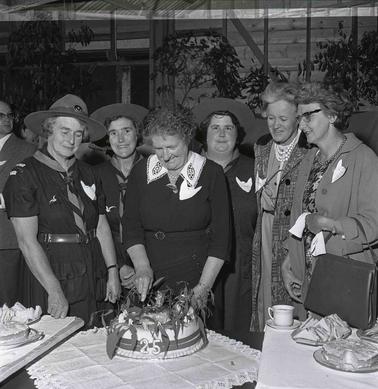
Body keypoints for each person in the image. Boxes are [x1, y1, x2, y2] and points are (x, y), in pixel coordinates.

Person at [3, 94, 121, 323]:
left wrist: (112, 270)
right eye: (64, 131)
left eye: (78, 133)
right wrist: (54, 290)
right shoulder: (25, 174)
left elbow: (100, 224)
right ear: (49, 130)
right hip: (52, 271)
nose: (71, 140)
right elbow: (27, 242)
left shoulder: (89, 172)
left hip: (91, 268)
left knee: (94, 339)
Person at [122, 107, 231, 329]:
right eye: (158, 148)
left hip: (197, 273)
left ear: (187, 139)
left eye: (172, 147)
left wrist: (203, 287)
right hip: (151, 273)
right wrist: (142, 267)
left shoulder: (211, 173)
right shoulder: (140, 172)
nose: (165, 155)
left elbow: (222, 239)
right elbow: (131, 226)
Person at [282, 82, 378, 317]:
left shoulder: (364, 158)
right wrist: (288, 260)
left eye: (308, 116)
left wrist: (331, 225)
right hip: (306, 279)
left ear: (333, 115)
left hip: (344, 281)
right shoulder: (307, 161)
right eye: (299, 117)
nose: (301, 124)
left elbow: (373, 224)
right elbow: (298, 218)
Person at [193, 98, 257, 335]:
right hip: (200, 266)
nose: (222, 134)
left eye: (228, 128)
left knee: (241, 334)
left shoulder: (256, 168)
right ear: (204, 133)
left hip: (242, 268)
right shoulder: (190, 168)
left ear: (237, 134)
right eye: (215, 128)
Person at [250, 82, 309, 331]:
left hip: (294, 234)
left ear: (298, 118)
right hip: (265, 229)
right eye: (271, 118)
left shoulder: (309, 148)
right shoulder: (262, 146)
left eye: (283, 118)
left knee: (290, 297)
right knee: (264, 292)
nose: (276, 125)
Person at [91, 103, 148, 288]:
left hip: (151, 260)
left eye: (126, 131)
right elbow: (95, 227)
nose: (121, 139)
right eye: (113, 133)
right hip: (111, 263)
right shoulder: (95, 175)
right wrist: (119, 266)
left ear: (137, 134)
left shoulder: (155, 171)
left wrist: (143, 268)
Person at [0, 100, 37, 306]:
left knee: (8, 308)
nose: (7, 119)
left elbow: (31, 193)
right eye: (1, 115)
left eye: (9, 115)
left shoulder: (27, 150)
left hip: (7, 241)